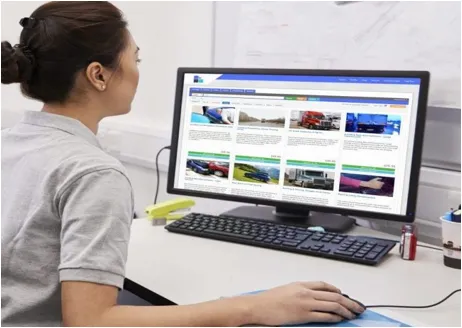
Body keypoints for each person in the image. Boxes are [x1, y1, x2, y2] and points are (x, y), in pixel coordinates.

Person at [1, 2, 364, 326]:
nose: (138, 72)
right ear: (98, 75)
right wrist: (253, 307)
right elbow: (92, 321)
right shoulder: (93, 173)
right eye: (135, 60)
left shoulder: (9, 140)